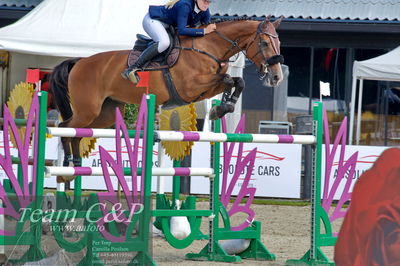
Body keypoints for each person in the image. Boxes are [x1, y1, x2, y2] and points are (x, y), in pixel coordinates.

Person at [121, 0, 217, 83]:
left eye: (209, 2)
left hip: (168, 25)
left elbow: (208, 26)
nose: (207, 4)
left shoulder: (204, 9)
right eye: (205, 1)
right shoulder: (185, 5)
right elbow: (182, 30)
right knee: (164, 43)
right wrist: (203, 31)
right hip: (153, 21)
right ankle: (133, 68)